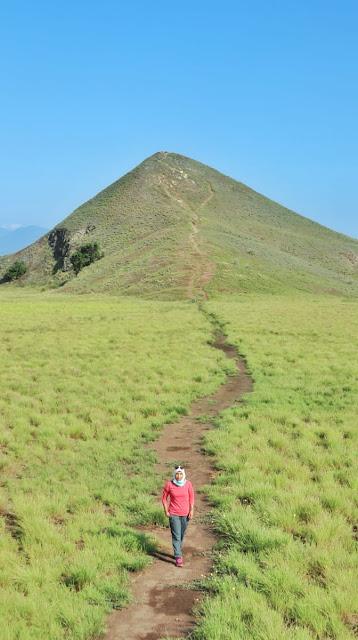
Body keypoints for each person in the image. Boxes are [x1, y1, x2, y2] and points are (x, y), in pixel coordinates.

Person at [162, 465, 194, 567]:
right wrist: (166, 510)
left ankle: (177, 551)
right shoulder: (169, 485)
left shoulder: (188, 484)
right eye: (177, 474)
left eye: (180, 474)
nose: (179, 476)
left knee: (181, 535)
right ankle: (178, 557)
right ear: (174, 474)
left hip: (185, 514)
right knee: (176, 536)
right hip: (174, 514)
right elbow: (164, 498)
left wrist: (191, 510)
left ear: (183, 474)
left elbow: (191, 498)